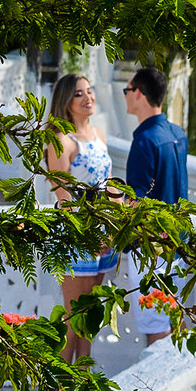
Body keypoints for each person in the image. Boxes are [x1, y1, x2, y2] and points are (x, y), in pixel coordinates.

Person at [46, 73, 119, 365]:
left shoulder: (99, 135)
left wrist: (115, 224)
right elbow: (63, 196)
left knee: (91, 311)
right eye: (79, 94)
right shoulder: (61, 140)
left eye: (90, 91)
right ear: (66, 100)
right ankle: (60, 383)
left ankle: (83, 377)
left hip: (104, 233)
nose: (88, 98)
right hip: (77, 237)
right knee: (73, 315)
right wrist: (88, 237)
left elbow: (110, 183)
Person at [123, 67, 189, 345]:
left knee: (156, 328)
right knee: (177, 319)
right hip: (179, 240)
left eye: (127, 91)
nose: (126, 96)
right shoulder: (177, 133)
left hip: (152, 246)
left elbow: (136, 200)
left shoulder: (144, 141)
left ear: (138, 94)